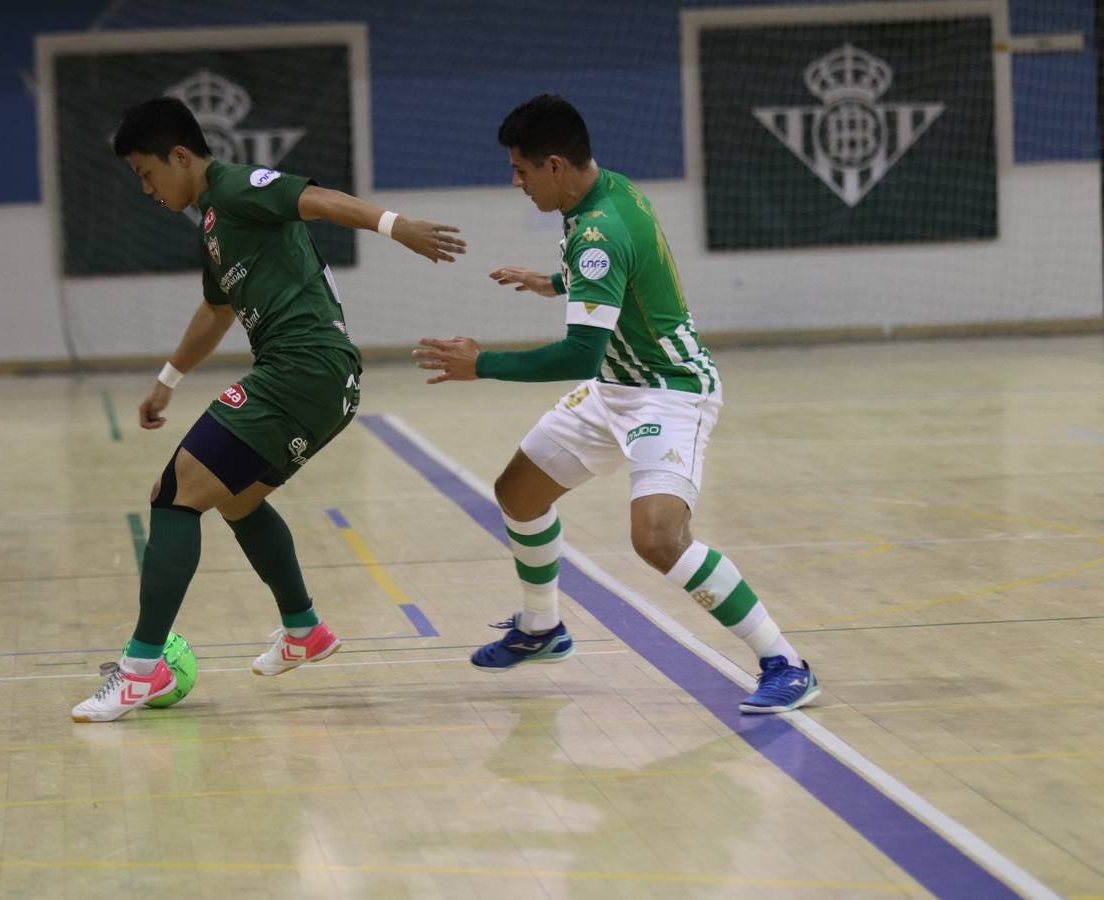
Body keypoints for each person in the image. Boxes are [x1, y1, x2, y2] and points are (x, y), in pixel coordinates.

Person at [413, 95, 819, 714]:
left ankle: (785, 663)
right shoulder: (604, 193)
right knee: (519, 492)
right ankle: (542, 628)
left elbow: (578, 352)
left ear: (554, 164)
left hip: (669, 390)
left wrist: (482, 364)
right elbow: (613, 278)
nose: (515, 182)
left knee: (658, 538)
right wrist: (552, 281)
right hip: (615, 386)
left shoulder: (598, 233)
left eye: (520, 169)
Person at [72, 96, 466, 723]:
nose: (145, 189)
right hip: (321, 379)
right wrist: (169, 378)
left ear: (180, 156)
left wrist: (397, 226)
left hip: (303, 368)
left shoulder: (234, 187)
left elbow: (317, 198)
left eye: (148, 173)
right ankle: (304, 629)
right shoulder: (211, 222)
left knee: (175, 491)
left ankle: (142, 669)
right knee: (236, 497)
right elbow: (216, 312)